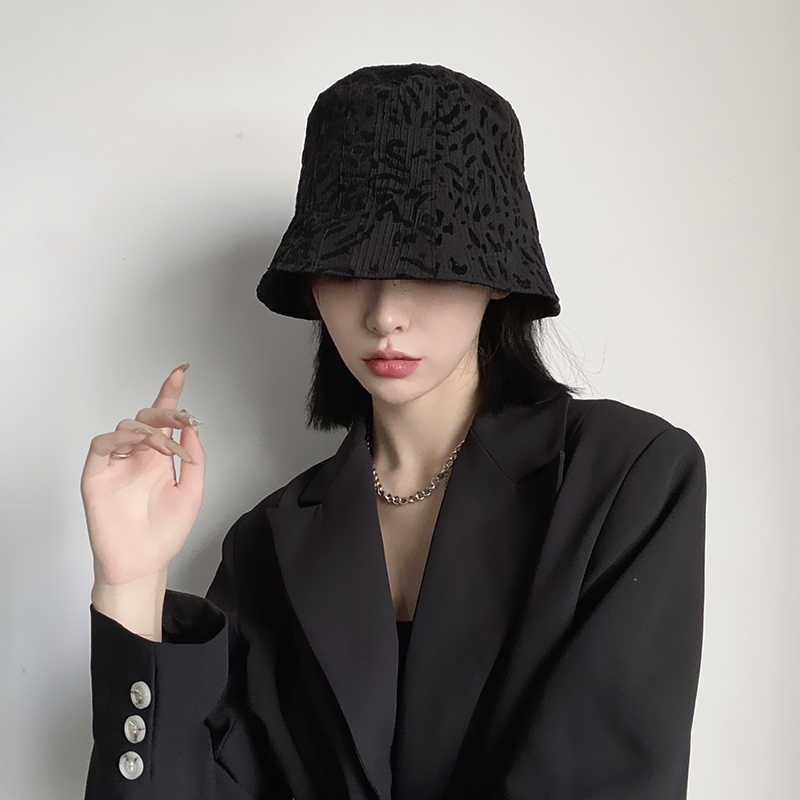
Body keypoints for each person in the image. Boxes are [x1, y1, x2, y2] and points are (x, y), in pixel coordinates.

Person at [80, 64, 707, 800]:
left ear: (496, 274)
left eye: (427, 264)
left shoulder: (628, 480)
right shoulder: (266, 545)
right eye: (347, 269)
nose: (383, 314)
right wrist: (131, 584)